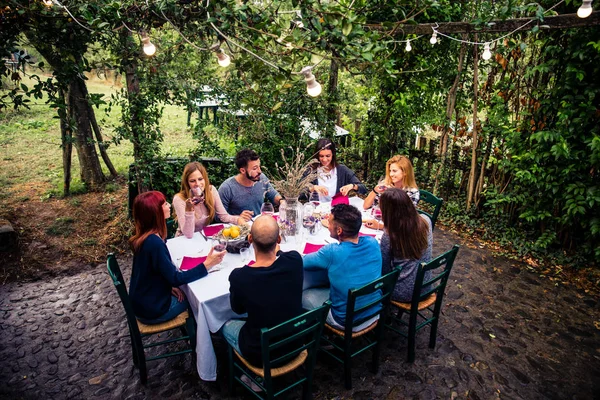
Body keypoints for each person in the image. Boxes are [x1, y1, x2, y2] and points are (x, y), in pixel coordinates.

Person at [128, 191, 226, 324]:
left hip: (143, 301)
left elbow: (155, 271)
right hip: (153, 310)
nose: (169, 205)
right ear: (155, 212)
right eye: (164, 204)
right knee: (198, 300)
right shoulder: (154, 243)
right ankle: (209, 333)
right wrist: (207, 265)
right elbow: (176, 278)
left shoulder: (144, 236)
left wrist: (167, 285)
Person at [222, 215, 304, 367]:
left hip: (260, 353)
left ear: (250, 239)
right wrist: (277, 252)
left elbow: (238, 310)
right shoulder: (295, 260)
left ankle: (251, 377)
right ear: (279, 240)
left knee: (224, 324)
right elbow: (285, 255)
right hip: (296, 342)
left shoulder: (240, 277)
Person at [302, 204, 382, 331]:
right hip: (375, 311)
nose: (327, 226)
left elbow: (302, 262)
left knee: (304, 295)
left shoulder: (332, 252)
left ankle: (310, 337)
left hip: (346, 320)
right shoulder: (373, 243)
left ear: (339, 231)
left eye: (329, 223)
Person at [173, 161, 253, 238]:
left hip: (204, 237)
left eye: (200, 179)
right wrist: (189, 210)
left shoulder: (211, 191)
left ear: (205, 179)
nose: (197, 184)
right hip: (184, 241)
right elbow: (188, 235)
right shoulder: (180, 199)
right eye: (192, 181)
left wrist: (239, 219)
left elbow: (223, 216)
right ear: (187, 183)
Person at [379, 188, 433, 302]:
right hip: (426, 284)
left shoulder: (390, 235)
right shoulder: (425, 220)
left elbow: (384, 272)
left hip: (403, 292)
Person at [218, 149, 283, 217]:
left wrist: (281, 201)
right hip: (238, 226)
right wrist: (237, 218)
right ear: (242, 170)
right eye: (255, 168)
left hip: (259, 223)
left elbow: (273, 195)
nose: (259, 171)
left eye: (259, 166)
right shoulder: (227, 188)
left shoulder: (261, 178)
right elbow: (218, 216)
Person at [363, 155, 420, 230]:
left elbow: (404, 221)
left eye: (394, 171)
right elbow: (366, 206)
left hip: (394, 231)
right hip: (376, 222)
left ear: (405, 172)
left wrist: (380, 226)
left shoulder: (412, 193)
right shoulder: (385, 185)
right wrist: (375, 191)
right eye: (390, 171)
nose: (391, 174)